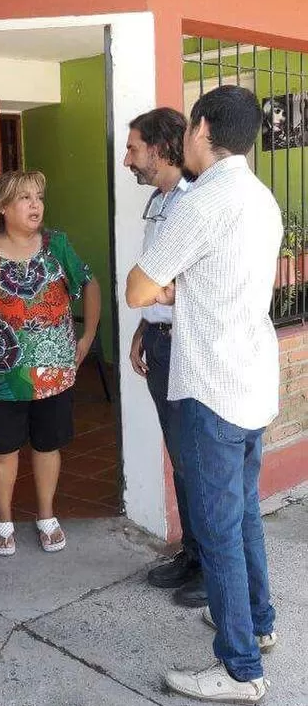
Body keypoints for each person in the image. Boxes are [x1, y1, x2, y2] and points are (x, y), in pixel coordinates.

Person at [126, 85, 282, 705]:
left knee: (217, 527)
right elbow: (221, 285)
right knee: (241, 514)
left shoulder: (204, 201)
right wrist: (178, 293)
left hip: (213, 385)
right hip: (251, 377)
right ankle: (258, 623)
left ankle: (240, 669)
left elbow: (139, 288)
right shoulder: (261, 198)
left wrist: (164, 290)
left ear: (201, 129)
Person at [0, 170, 101, 556]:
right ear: (3, 208)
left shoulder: (57, 245)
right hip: (3, 375)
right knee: (3, 449)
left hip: (54, 373)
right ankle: (3, 521)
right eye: (24, 198)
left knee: (47, 446)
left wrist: (86, 338)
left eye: (38, 196)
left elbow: (89, 283)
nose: (35, 204)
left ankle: (46, 516)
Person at [124, 108, 205, 607]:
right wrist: (142, 327)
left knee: (195, 459)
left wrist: (159, 308)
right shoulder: (160, 200)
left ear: (160, 148)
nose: (127, 158)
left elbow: (188, 282)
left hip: (186, 345)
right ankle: (193, 553)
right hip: (160, 339)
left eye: (134, 148)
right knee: (180, 455)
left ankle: (210, 566)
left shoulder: (197, 202)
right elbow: (157, 276)